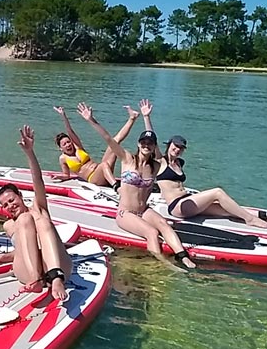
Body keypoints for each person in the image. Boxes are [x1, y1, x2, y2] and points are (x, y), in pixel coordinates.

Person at [77, 101, 195, 271]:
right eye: (143, 142)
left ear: (154, 146)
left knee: (163, 224)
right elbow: (109, 139)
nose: (146, 145)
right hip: (126, 213)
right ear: (139, 144)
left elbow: (155, 140)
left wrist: (146, 117)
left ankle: (183, 257)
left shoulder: (155, 166)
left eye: (150, 143)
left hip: (144, 210)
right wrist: (91, 120)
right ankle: (162, 264)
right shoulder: (127, 159)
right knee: (152, 233)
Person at [0, 126, 74, 301]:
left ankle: (56, 277)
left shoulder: (38, 208)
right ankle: (36, 279)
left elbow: (37, 180)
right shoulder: (9, 224)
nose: (10, 206)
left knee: (43, 222)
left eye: (12, 200)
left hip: (56, 265)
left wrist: (30, 152)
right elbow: (25, 250)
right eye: (5, 205)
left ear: (21, 196)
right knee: (24, 219)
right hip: (28, 271)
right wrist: (2, 258)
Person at [153, 133, 267, 229]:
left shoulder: (179, 163)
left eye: (181, 148)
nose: (178, 149)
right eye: (176, 146)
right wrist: (146, 117)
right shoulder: (161, 162)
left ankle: (264, 216)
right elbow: (153, 140)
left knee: (227, 210)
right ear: (169, 145)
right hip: (178, 206)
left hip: (189, 201)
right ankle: (250, 219)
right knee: (217, 192)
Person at [52, 105, 140, 187]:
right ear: (60, 148)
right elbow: (66, 175)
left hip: (101, 170)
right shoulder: (63, 158)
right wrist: (58, 177)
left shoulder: (78, 147)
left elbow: (70, 132)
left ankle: (132, 118)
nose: (68, 145)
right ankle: (116, 186)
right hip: (93, 178)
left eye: (68, 142)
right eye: (64, 144)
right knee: (104, 164)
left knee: (114, 143)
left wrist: (64, 116)